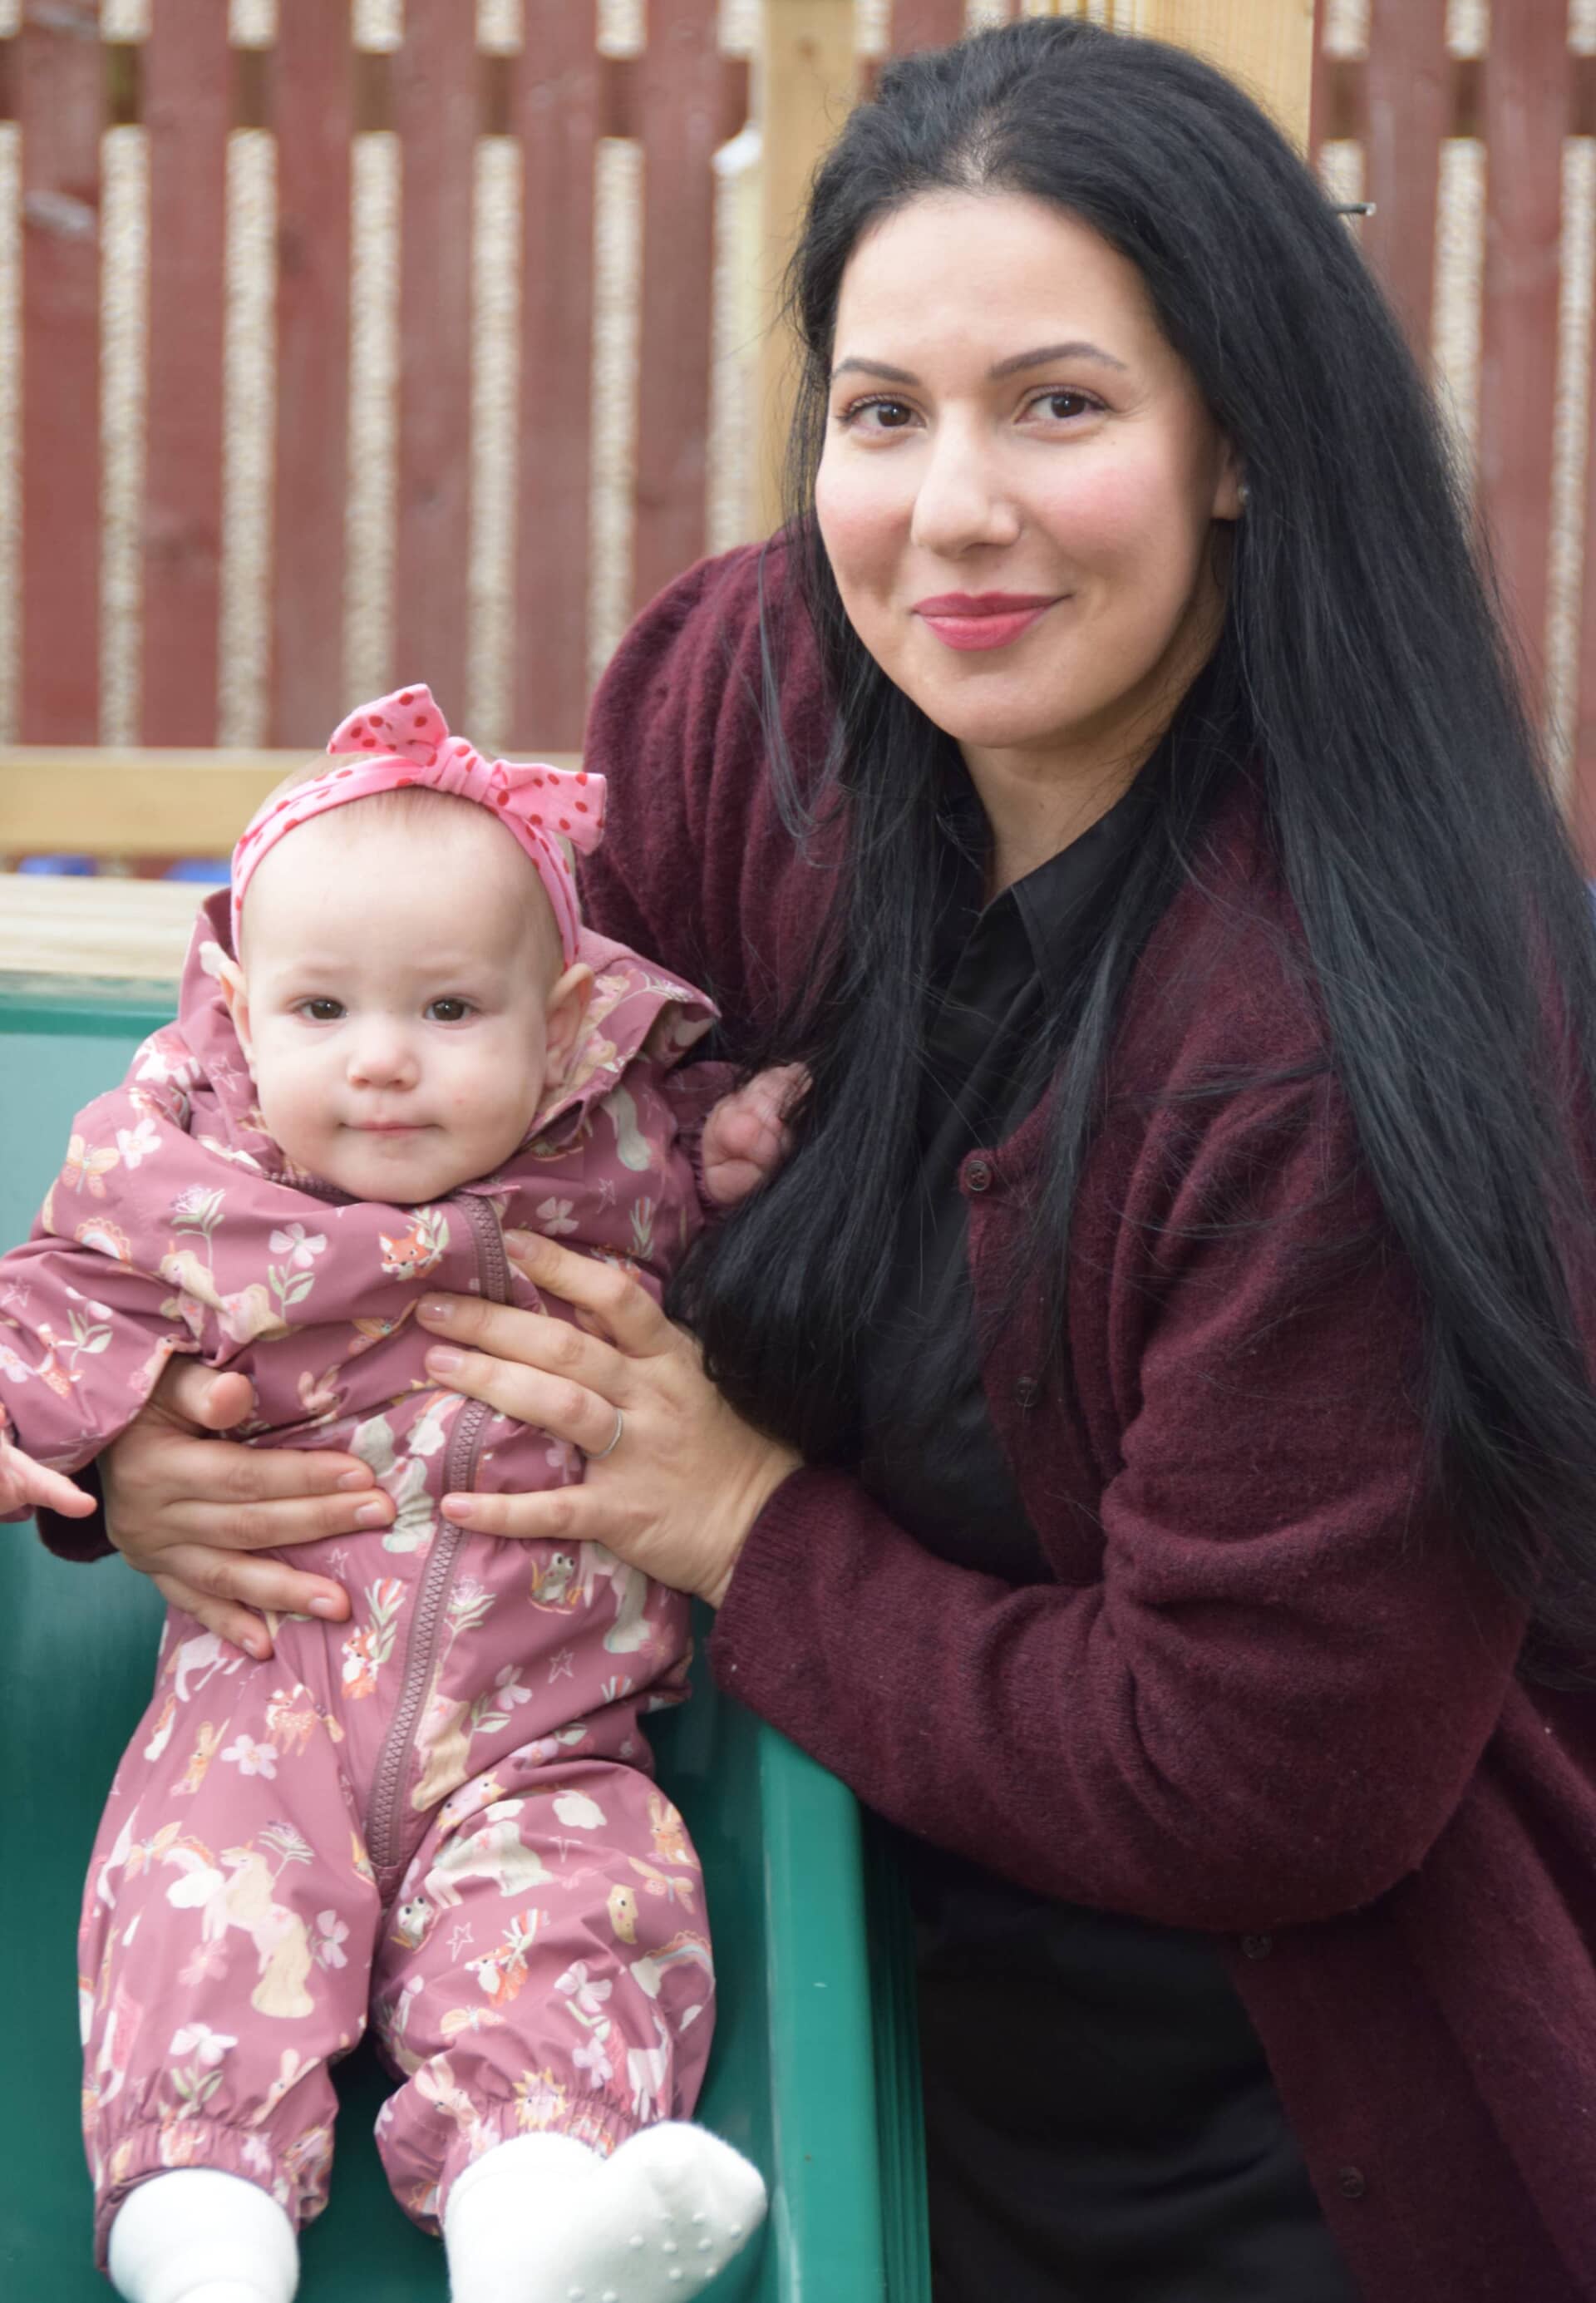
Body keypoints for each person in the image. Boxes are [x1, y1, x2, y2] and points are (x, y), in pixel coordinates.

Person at [37, 17, 1596, 2299]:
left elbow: (1269, 1778)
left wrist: (746, 1529)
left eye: (1059, 404)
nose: (947, 509)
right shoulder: (751, 700)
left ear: (1240, 438)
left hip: (1237, 2119)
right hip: (716, 1928)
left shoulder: (1331, 1043)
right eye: (885, 412)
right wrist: (158, 1429)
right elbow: (457, 1111)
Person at [2, 685, 770, 2303]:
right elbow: (44, 1313)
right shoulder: (188, 1195)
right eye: (323, 1009)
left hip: (544, 1732)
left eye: (446, 1010)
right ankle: (205, 2234)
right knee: (195, 1923)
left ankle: (541, 2214)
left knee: (580, 1921)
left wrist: (765, 1146)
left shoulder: (632, 1168)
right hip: (258, 1712)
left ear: (561, 1023)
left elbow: (786, 1251)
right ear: (235, 1016)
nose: (382, 1064)